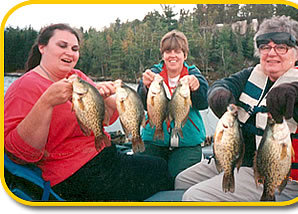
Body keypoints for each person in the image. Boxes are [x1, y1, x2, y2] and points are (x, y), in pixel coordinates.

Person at [4, 23, 173, 201]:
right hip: (73, 175)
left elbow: (105, 118)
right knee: (160, 171)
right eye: (62, 46)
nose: (69, 52)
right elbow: (18, 154)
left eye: (74, 49)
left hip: (103, 156)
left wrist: (113, 96)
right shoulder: (23, 87)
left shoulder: (76, 76)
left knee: (159, 165)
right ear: (42, 47)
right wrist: (46, 103)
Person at [175, 16, 298, 202]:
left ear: (297, 52)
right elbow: (224, 84)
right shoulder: (251, 75)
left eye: (281, 47)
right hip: (239, 159)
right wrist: (218, 93)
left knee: (194, 197)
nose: (272, 53)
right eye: (265, 47)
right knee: (182, 181)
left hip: (281, 175)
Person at [137, 30, 209, 180]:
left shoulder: (194, 75)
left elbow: (204, 102)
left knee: (179, 179)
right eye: (168, 51)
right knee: (145, 177)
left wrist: (196, 89)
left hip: (187, 143)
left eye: (178, 51)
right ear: (163, 55)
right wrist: (144, 87)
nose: (173, 55)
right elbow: (142, 103)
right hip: (153, 140)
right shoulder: (152, 75)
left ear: (185, 55)